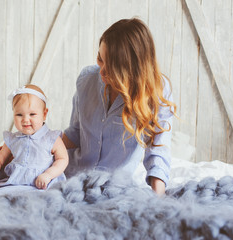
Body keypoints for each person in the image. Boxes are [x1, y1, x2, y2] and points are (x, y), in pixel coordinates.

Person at [62, 18, 177, 195]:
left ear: (133, 69)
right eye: (100, 59)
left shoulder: (156, 91)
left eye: (113, 67)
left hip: (112, 190)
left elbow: (158, 151)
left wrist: (159, 199)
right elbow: (75, 134)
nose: (102, 71)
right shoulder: (87, 80)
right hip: (72, 180)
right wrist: (32, 145)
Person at [0, 84, 68, 195]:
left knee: (50, 198)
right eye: (19, 114)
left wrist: (48, 174)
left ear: (44, 114)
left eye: (32, 114)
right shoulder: (13, 139)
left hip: (43, 185)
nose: (25, 120)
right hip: (15, 183)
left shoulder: (51, 138)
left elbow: (62, 160)